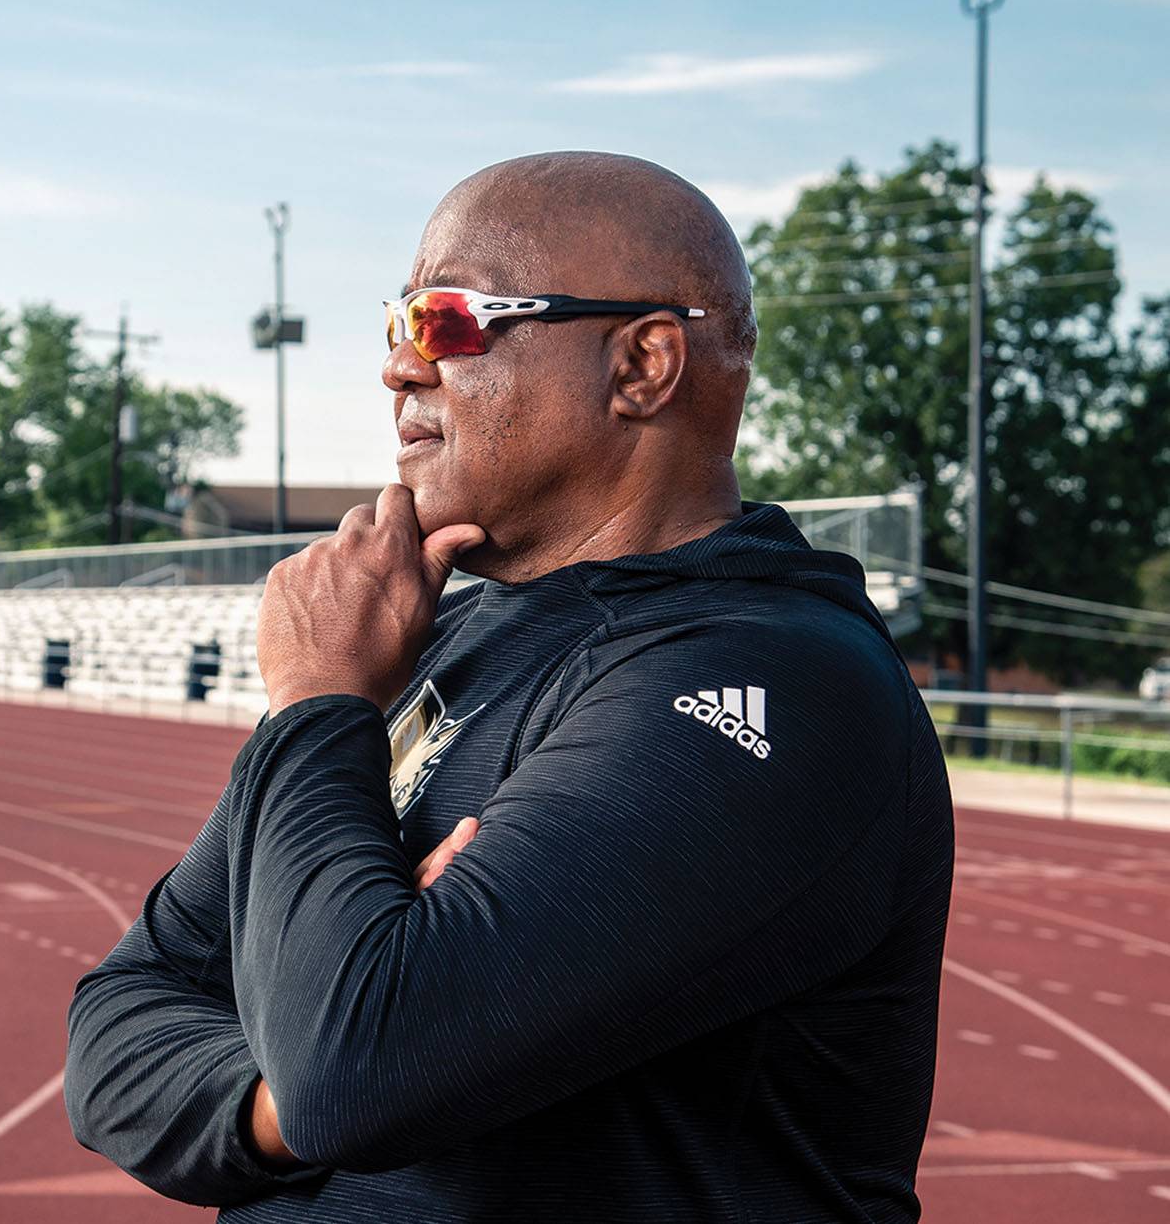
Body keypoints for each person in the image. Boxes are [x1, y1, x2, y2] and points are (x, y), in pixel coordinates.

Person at [64, 151, 954, 1223]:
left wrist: (314, 706)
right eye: (396, 325)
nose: (400, 368)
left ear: (642, 366)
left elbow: (356, 1062)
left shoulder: (775, 676)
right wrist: (278, 1102)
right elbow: (121, 1020)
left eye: (445, 321)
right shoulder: (418, 640)